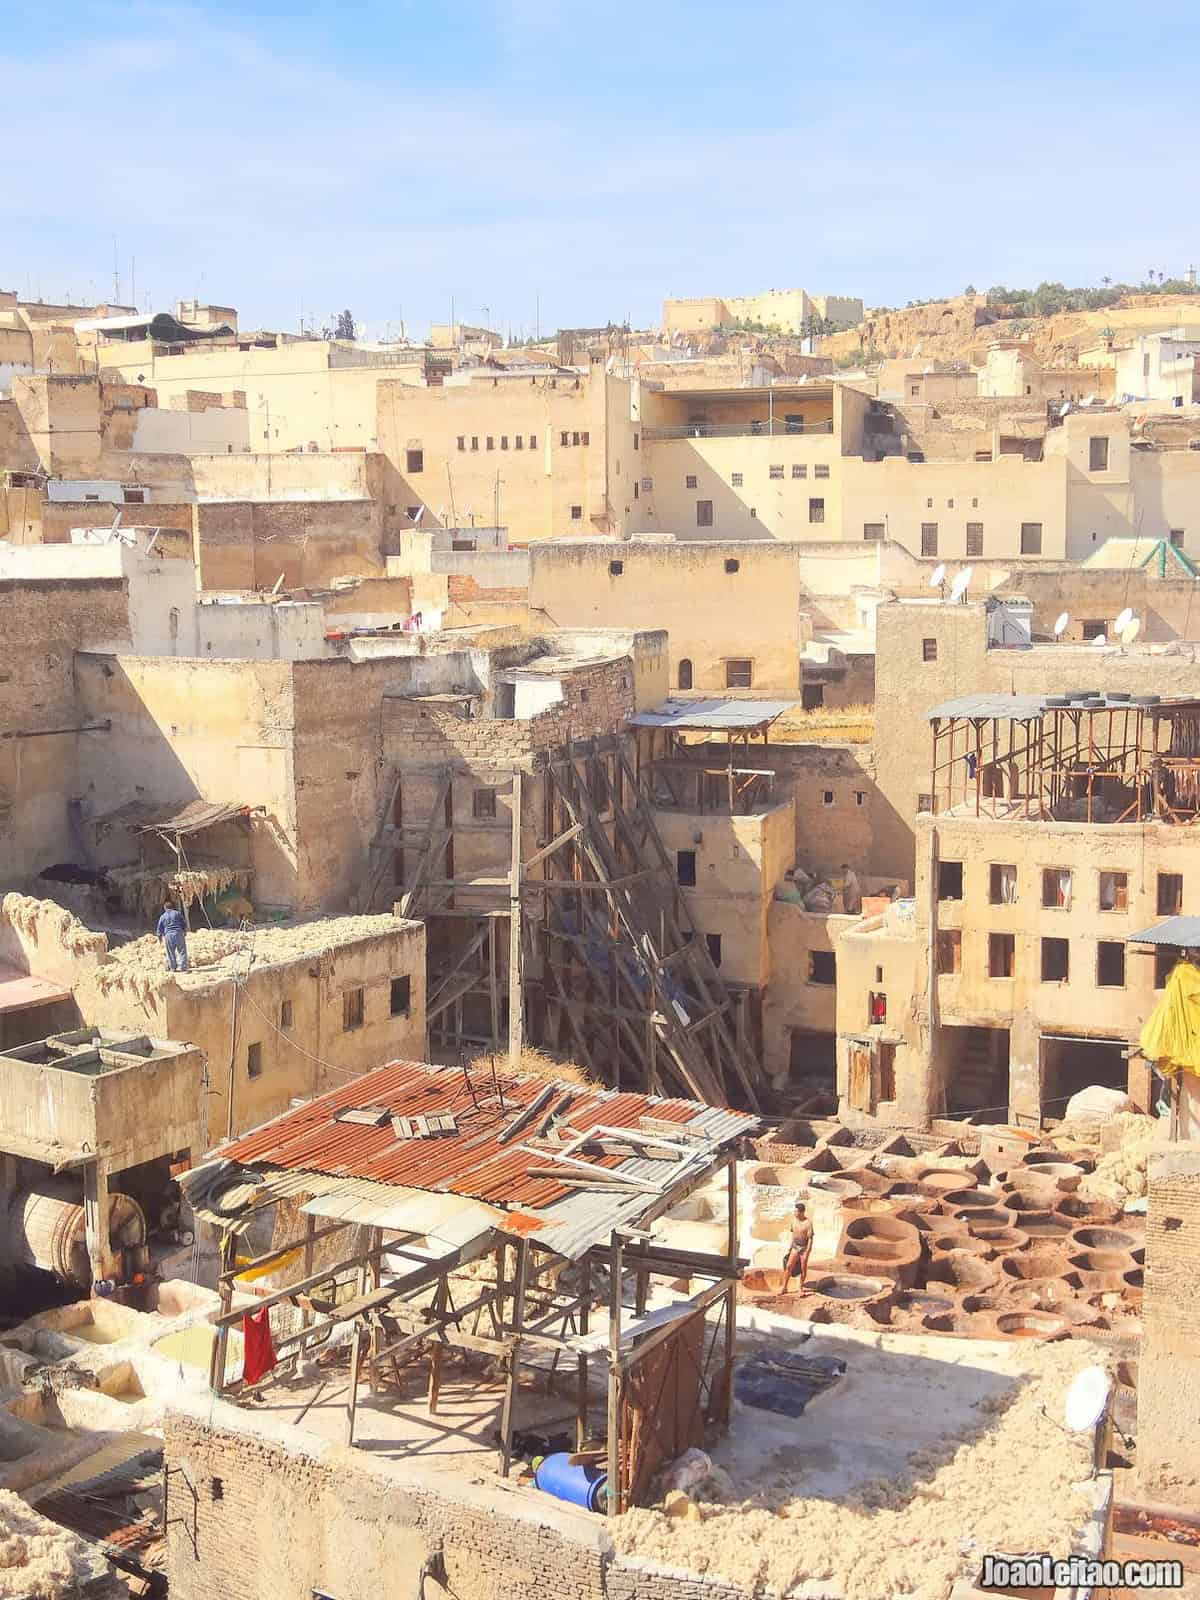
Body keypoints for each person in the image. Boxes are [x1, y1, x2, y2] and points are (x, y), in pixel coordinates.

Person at [781, 1202, 813, 1291]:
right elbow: (793, 1234)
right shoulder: (793, 1220)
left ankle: (800, 1287)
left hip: (803, 1248)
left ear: (802, 1212)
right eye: (794, 1211)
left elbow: (810, 1239)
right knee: (788, 1266)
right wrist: (790, 1246)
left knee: (803, 1268)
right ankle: (784, 1288)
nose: (794, 1213)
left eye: (796, 1211)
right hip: (795, 1247)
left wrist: (807, 1252)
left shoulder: (808, 1223)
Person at [156, 899, 190, 972]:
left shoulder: (163, 916)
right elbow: (183, 923)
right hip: (178, 933)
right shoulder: (177, 913)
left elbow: (159, 928)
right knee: (182, 950)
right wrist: (184, 931)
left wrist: (160, 938)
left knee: (170, 952)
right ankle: (183, 967)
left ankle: (173, 967)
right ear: (172, 907)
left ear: (165, 908)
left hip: (168, 935)